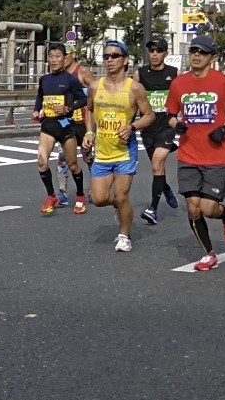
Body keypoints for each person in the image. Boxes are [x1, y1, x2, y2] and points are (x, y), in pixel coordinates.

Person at [163, 33, 225, 272]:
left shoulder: (222, 82)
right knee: (193, 207)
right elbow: (170, 114)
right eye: (193, 51)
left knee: (208, 208)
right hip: (188, 154)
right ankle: (209, 254)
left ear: (212, 57)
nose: (196, 56)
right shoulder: (178, 84)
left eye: (202, 52)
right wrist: (176, 125)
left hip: (216, 155)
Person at [86, 39, 155, 252]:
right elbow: (88, 110)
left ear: (125, 60)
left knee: (122, 195)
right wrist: (89, 132)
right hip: (103, 151)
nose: (109, 60)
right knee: (98, 199)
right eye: (106, 56)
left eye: (114, 56)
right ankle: (120, 207)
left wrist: (132, 127)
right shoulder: (95, 86)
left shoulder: (134, 88)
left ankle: (124, 236)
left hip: (125, 151)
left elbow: (149, 115)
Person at [32, 41, 89, 214]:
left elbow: (84, 99)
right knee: (41, 162)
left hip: (66, 127)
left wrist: (68, 108)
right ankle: (51, 196)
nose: (54, 60)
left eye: (57, 57)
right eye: (51, 56)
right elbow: (40, 97)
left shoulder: (71, 80)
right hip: (48, 125)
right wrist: (36, 110)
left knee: (72, 165)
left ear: (64, 58)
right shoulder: (44, 80)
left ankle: (80, 195)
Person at [135, 37, 182, 226]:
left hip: (167, 126)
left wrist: (181, 120)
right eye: (152, 50)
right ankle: (167, 190)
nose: (154, 54)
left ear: (165, 53)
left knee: (157, 163)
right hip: (148, 128)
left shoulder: (174, 73)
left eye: (158, 50)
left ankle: (152, 208)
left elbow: (182, 97)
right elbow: (133, 100)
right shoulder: (140, 74)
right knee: (157, 169)